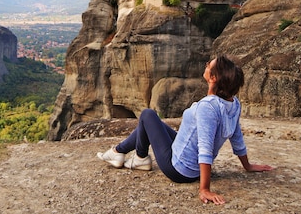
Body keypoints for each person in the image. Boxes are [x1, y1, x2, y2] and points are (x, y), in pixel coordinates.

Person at [97, 55, 273, 205]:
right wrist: (247, 166)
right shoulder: (233, 103)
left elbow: (205, 146)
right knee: (154, 124)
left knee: (148, 115)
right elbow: (236, 136)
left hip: (179, 169)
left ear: (213, 78)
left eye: (208, 66)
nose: (205, 66)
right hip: (187, 154)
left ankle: (137, 157)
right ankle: (119, 152)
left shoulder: (208, 107)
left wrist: (204, 189)